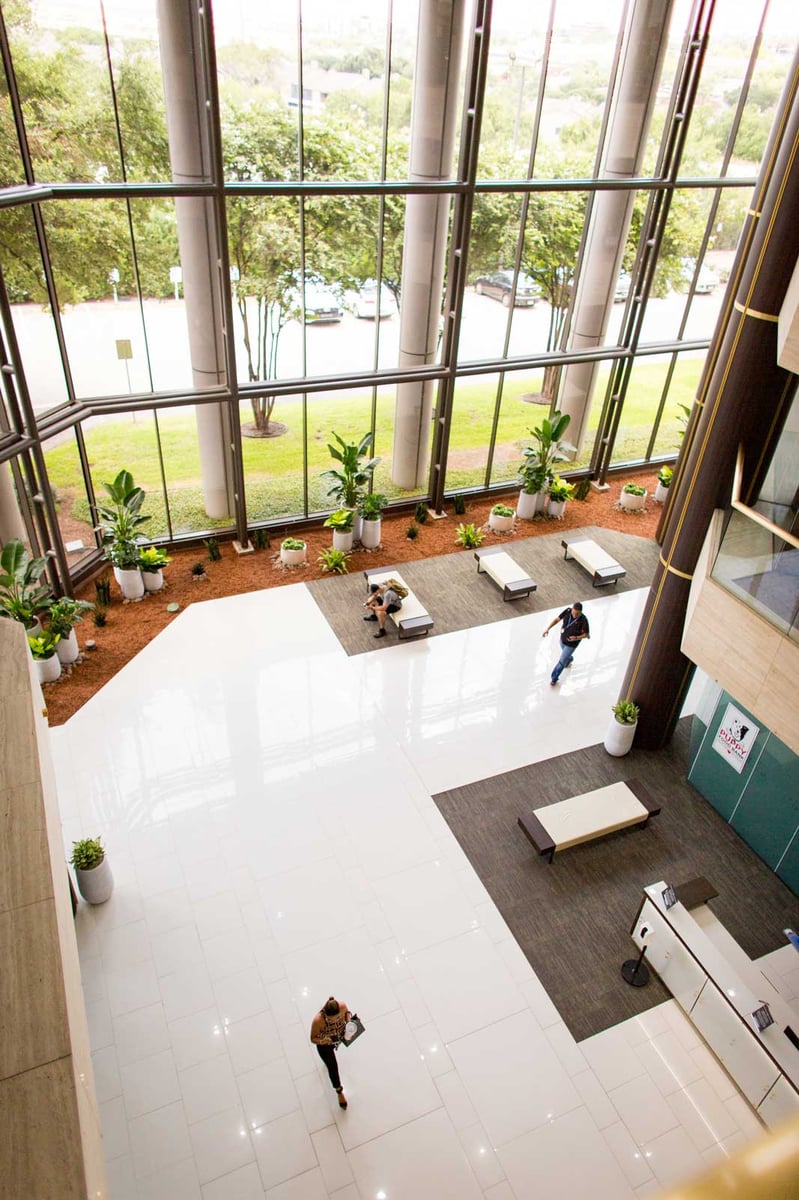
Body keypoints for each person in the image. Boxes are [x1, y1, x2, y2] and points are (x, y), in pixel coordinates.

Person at [310, 996, 351, 1108]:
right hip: (325, 1045)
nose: (335, 1021)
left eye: (337, 1018)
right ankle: (339, 1091)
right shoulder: (318, 1020)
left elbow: (347, 1014)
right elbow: (313, 1038)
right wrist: (323, 1040)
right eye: (331, 1020)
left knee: (330, 1064)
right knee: (332, 1067)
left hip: (339, 1037)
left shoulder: (342, 1006)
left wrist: (348, 1022)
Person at [543, 601, 590, 684]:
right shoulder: (568, 611)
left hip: (571, 644)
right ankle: (569, 659)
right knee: (565, 657)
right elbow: (557, 619)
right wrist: (548, 628)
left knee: (561, 661)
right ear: (572, 609)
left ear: (581, 612)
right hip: (562, 640)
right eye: (574, 613)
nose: (575, 615)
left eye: (577, 614)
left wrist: (576, 638)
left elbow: (586, 635)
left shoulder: (583, 620)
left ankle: (554, 678)